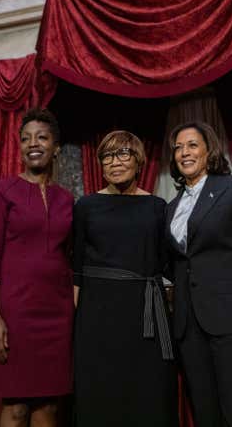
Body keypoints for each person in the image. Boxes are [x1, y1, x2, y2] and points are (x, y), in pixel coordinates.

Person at [165, 121, 232, 426]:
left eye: (192, 145)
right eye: (178, 147)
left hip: (231, 322)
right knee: (205, 414)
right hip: (188, 326)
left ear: (209, 150)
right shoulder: (171, 208)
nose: (184, 153)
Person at [73, 130, 178, 427]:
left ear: (139, 161)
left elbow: (167, 263)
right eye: (107, 156)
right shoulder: (85, 206)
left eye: (123, 154)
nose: (114, 162)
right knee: (99, 393)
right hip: (96, 316)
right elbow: (76, 269)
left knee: (148, 393)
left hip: (146, 317)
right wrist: (76, 324)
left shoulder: (158, 207)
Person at [0, 108, 74, 427]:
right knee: (16, 406)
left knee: (49, 407)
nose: (33, 143)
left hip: (57, 314)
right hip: (15, 312)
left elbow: (72, 259)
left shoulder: (67, 199)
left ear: (56, 147)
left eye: (42, 137)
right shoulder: (2, 190)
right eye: (25, 138)